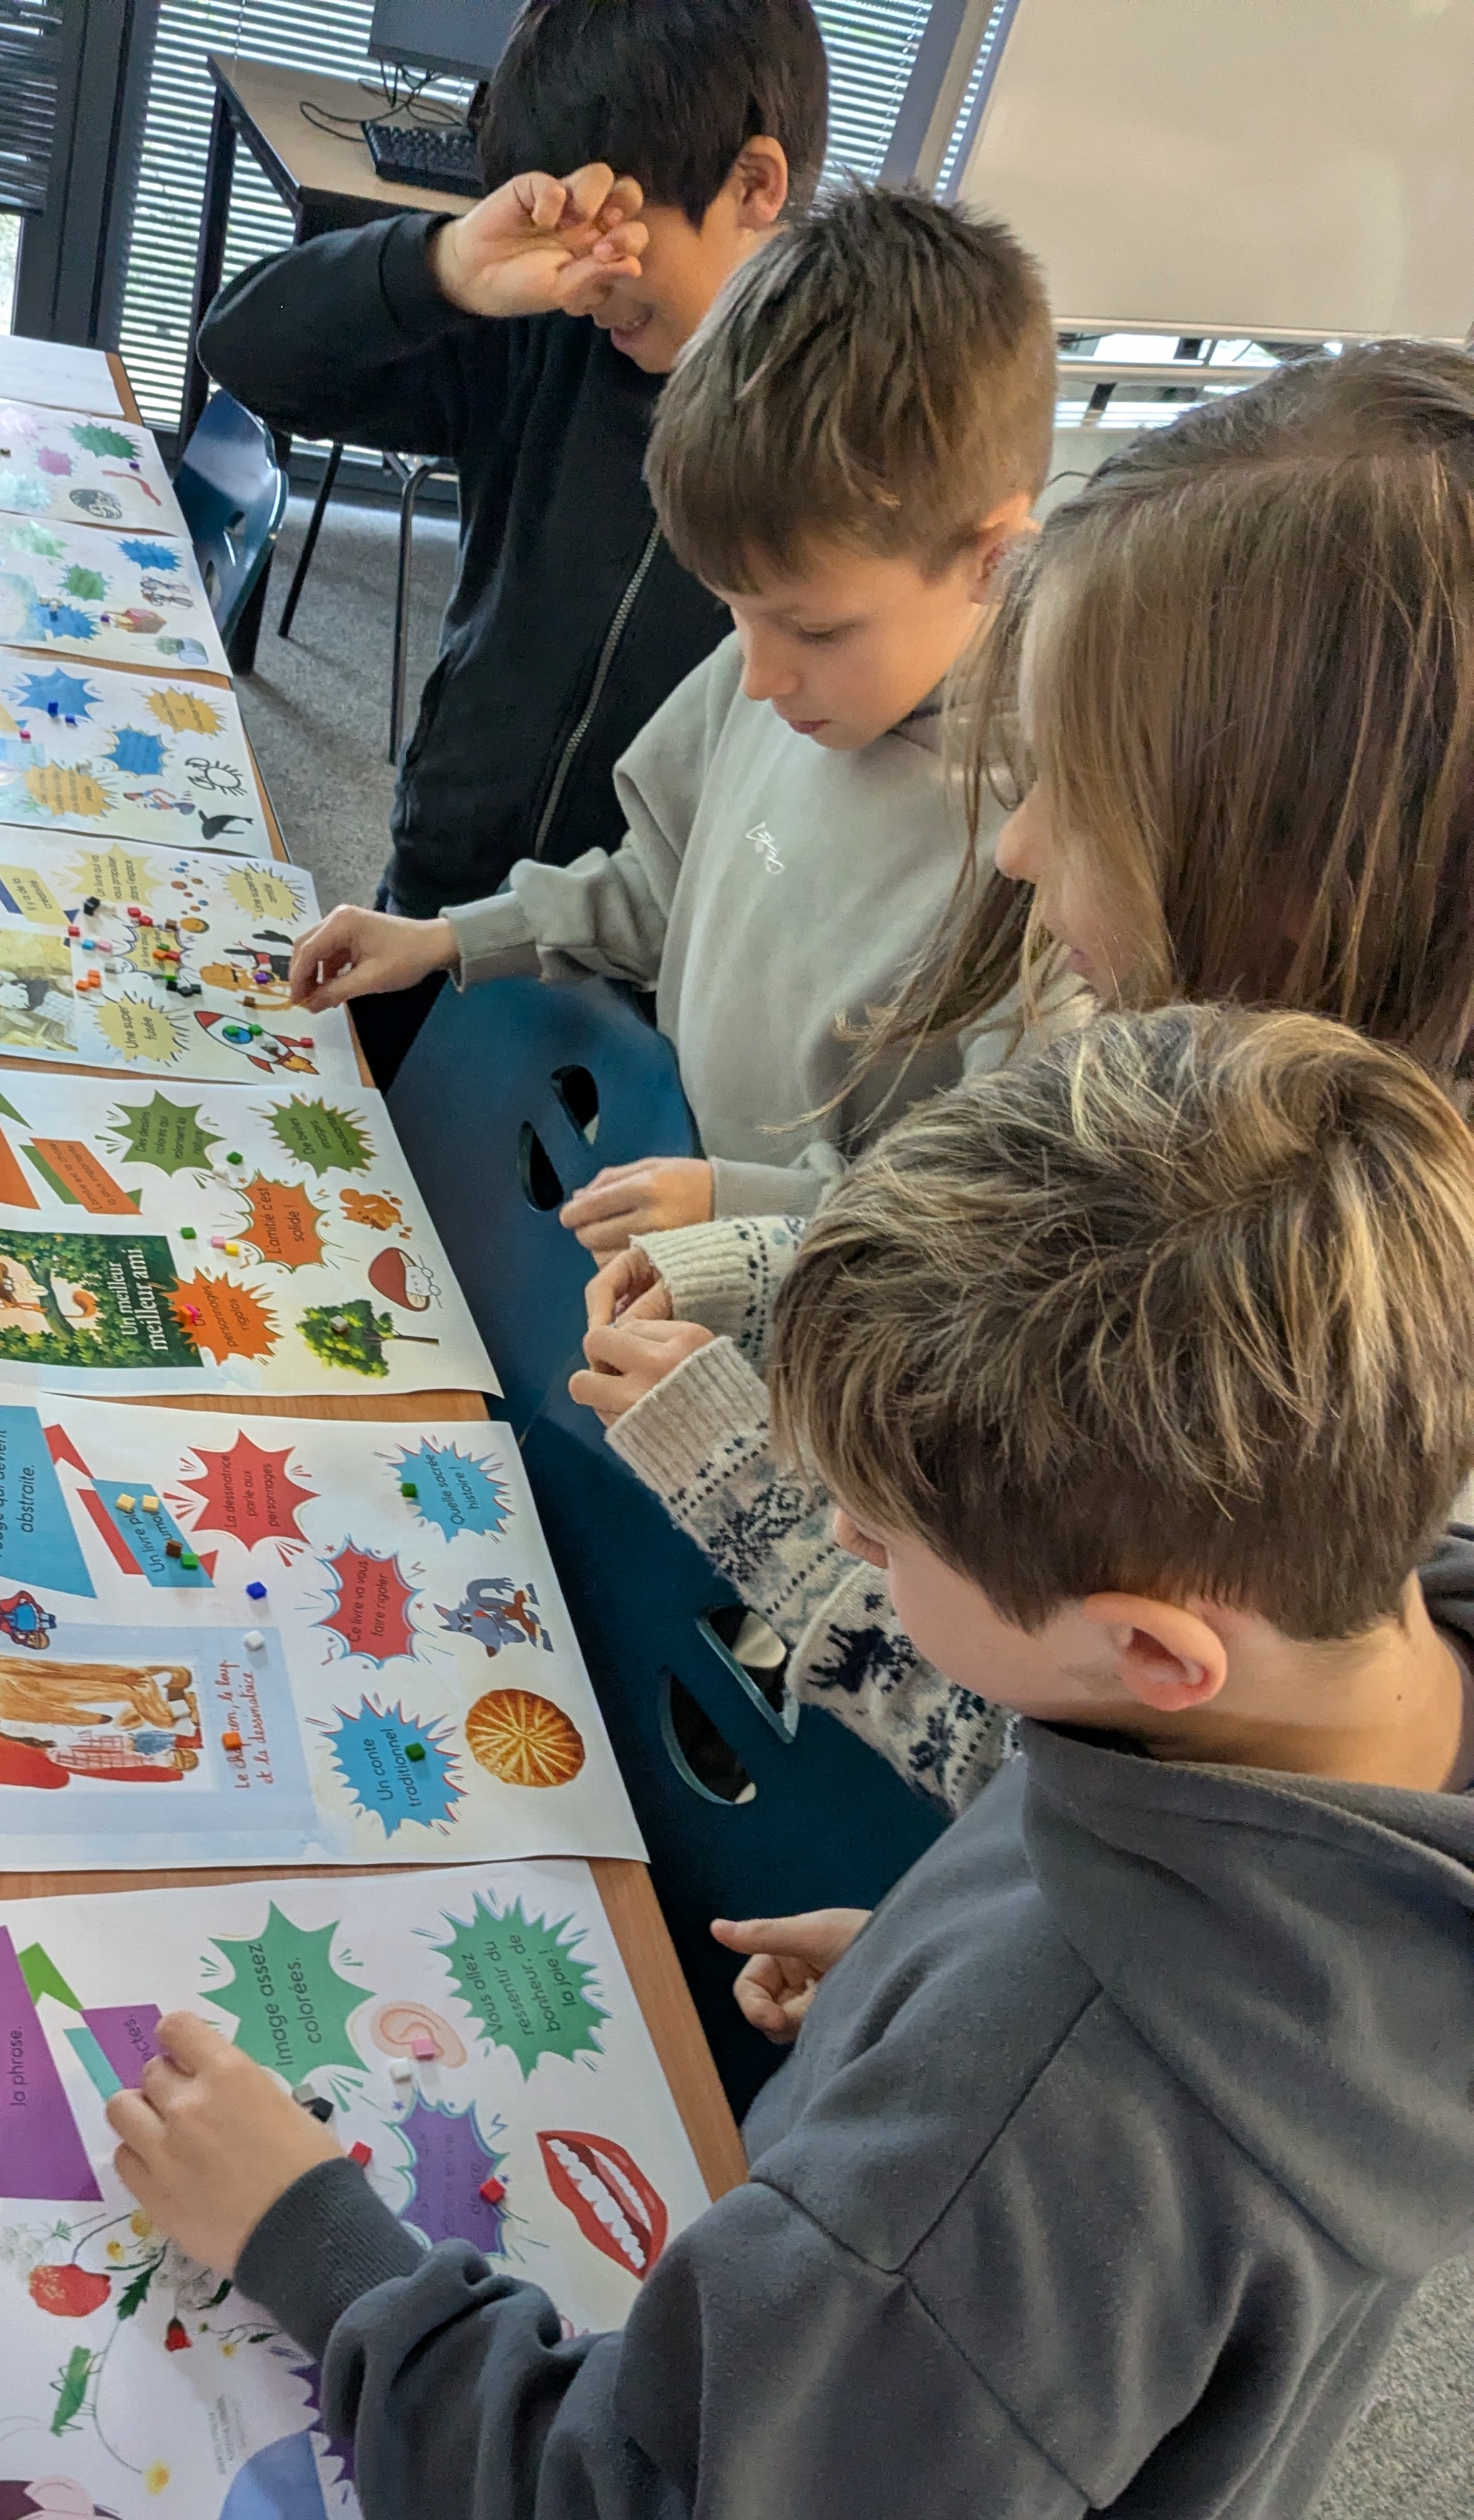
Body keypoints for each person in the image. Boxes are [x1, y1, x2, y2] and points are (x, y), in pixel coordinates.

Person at [108, 1004, 1474, 2520]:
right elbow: (1119, 1911)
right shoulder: (1355, 1684)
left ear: (1154, 1651)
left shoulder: (1052, 2124)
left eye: (884, 1541)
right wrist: (931, 1954)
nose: (840, 1537)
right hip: (973, 2494)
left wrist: (309, 2243)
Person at [572, 340, 1474, 1801]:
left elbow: (1061, 1743)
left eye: (1083, 796)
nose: (1014, 844)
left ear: (1302, 880)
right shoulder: (1255, 1115)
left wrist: (747, 1479)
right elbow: (1038, 1297)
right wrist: (774, 1263)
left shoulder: (1376, 1347)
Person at [290, 184, 1063, 1232]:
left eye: (815, 631)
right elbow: (662, 887)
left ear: (993, 559)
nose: (759, 677)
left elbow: (983, 1226)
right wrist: (448, 938)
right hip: (661, 1207)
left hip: (795, 1293)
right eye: (735, 613)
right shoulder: (775, 672)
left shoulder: (1046, 858)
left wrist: (746, 1211)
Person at [197, 0, 829, 1082]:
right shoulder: (549, 329)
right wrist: (443, 267)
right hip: (439, 900)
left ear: (753, 186)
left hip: (639, 978)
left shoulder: (846, 424)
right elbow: (246, 349)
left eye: (610, 229)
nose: (581, 275)